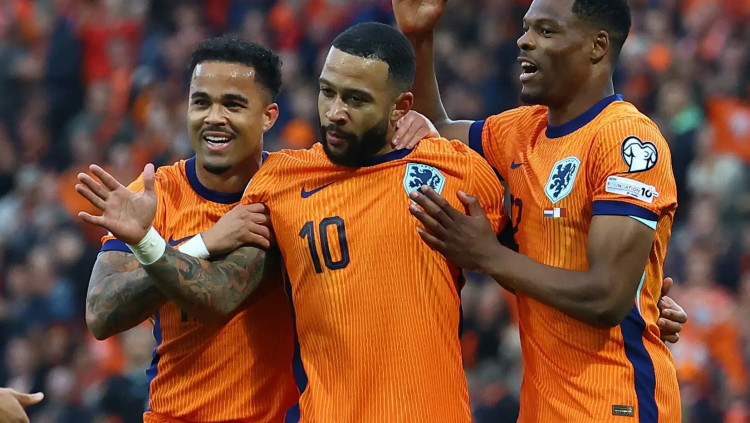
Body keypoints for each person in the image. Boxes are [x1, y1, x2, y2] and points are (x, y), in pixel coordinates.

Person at [78, 22, 507, 422]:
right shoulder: (175, 195)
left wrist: (431, 126)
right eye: (201, 102)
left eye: (233, 104)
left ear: (269, 116)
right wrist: (184, 241)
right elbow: (116, 311)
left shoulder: (447, 168)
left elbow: (527, 238)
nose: (335, 111)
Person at [394, 0, 682, 421]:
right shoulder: (523, 130)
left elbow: (607, 298)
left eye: (546, 31)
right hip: (542, 407)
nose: (524, 41)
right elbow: (431, 133)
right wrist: (419, 37)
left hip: (616, 403)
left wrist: (488, 256)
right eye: (527, 28)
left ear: (597, 46)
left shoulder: (625, 139)